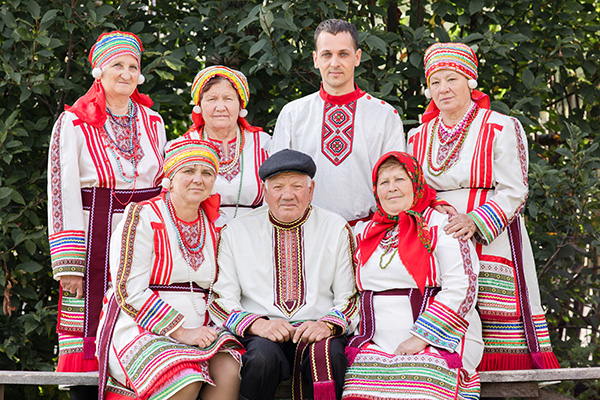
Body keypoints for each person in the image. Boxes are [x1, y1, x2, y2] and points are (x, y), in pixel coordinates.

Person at [407, 42, 560, 370]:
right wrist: (433, 212)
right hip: (438, 238)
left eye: (452, 79)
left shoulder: (501, 126)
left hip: (492, 236)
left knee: (496, 317)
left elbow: (515, 190)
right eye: (435, 81)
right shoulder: (417, 136)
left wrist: (475, 221)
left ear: (470, 81)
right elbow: (415, 193)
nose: (443, 88)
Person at [47, 31, 167, 398]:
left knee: (140, 324)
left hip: (143, 240)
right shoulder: (74, 122)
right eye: (118, 65)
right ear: (99, 70)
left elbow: (164, 185)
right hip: (94, 235)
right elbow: (61, 192)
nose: (126, 73)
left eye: (133, 66)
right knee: (88, 330)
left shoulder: (153, 121)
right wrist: (70, 264)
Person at [97, 139, 242, 400]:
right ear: (170, 178)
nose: (198, 179)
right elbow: (128, 290)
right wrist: (182, 332)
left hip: (203, 327)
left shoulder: (218, 225)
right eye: (189, 171)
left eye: (207, 173)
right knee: (183, 378)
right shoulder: (142, 215)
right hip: (142, 326)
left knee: (230, 370)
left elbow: (223, 289)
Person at [209, 149, 359, 400]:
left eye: (297, 186)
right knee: (261, 358)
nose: (288, 195)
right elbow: (221, 299)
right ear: (265, 192)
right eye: (278, 187)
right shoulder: (235, 231)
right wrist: (256, 325)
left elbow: (350, 298)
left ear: (311, 190)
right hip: (261, 330)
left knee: (329, 355)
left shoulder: (335, 228)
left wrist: (326, 325)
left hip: (317, 329)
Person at [342, 152, 483, 400]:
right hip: (374, 339)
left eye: (400, 179)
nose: (392, 188)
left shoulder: (443, 226)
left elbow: (463, 287)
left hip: (438, 338)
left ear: (416, 183)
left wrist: (420, 338)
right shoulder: (362, 232)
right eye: (384, 182)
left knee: (420, 383)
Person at [270, 19, 405, 224]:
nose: (335, 63)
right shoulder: (293, 114)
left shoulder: (385, 115)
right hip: (308, 230)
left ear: (357, 57)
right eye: (327, 54)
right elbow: (277, 182)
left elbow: (397, 183)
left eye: (343, 54)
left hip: (367, 230)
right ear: (315, 59)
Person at [182, 65, 270, 228]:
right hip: (200, 232)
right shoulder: (183, 146)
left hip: (255, 232)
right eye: (212, 99)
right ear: (199, 105)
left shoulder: (264, 144)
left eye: (228, 99)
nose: (220, 107)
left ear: (240, 105)